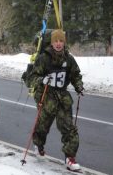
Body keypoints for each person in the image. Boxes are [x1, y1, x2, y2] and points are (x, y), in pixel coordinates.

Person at [29, 29, 84, 171]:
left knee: (69, 129)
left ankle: (70, 158)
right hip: (47, 96)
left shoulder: (69, 58)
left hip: (63, 98)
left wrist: (79, 86)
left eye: (61, 41)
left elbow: (75, 75)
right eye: (55, 41)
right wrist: (42, 79)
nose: (58, 44)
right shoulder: (44, 58)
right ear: (52, 42)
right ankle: (39, 145)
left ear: (64, 42)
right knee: (42, 126)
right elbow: (33, 77)